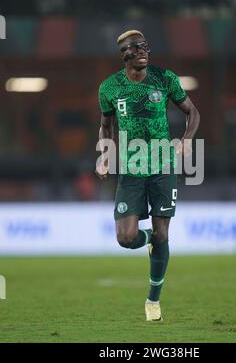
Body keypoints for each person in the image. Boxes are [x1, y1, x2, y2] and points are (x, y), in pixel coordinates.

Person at [96, 30, 200, 321]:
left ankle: (153, 301)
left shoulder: (165, 78)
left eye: (146, 47)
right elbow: (106, 125)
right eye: (136, 48)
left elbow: (193, 113)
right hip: (130, 170)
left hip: (162, 166)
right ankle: (150, 240)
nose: (143, 51)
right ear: (124, 54)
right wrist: (105, 155)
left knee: (163, 232)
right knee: (125, 238)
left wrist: (187, 139)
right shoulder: (109, 87)